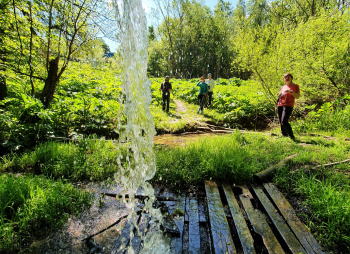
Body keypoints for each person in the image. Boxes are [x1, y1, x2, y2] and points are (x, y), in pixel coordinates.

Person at [277, 73, 300, 141]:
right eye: (285, 77)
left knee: (284, 121)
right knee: (281, 121)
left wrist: (291, 92)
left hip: (289, 105)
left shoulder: (295, 86)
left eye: (288, 77)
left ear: (291, 78)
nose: (286, 78)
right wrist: (279, 95)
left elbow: (297, 96)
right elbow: (279, 96)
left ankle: (291, 136)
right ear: (283, 79)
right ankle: (284, 135)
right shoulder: (283, 87)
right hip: (280, 104)